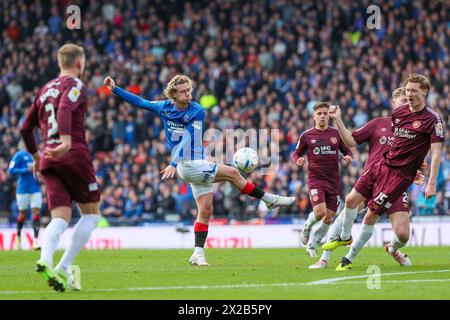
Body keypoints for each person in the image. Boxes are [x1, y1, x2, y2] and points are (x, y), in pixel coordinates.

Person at [104, 74, 295, 266]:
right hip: (185, 165)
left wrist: (173, 162)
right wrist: (115, 89)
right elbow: (140, 102)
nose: (188, 94)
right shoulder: (165, 108)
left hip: (195, 163)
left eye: (189, 90)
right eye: (183, 91)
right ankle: (269, 200)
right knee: (233, 173)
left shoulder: (197, 111)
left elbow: (189, 137)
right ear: (173, 94)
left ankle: (198, 253)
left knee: (205, 210)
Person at [333, 74, 444, 270]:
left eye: (413, 91)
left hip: (399, 178)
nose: (409, 94)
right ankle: (341, 240)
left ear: (425, 92)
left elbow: (436, 154)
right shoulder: (399, 113)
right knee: (351, 200)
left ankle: (350, 258)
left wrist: (431, 181)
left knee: (375, 218)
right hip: (381, 166)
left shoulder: (432, 119)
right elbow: (400, 143)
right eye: (407, 90)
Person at [311, 87, 424, 269]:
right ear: (393, 104)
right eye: (401, 101)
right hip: (372, 179)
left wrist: (417, 170)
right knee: (349, 206)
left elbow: (414, 157)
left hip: (394, 185)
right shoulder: (378, 124)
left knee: (403, 235)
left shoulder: (414, 130)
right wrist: (338, 119)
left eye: (407, 101)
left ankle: (393, 249)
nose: (405, 104)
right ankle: (324, 259)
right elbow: (350, 141)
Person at [20, 44, 101, 291]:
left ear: (59, 62)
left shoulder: (44, 89)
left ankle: (45, 259)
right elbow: (65, 107)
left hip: (48, 158)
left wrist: (35, 156)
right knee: (91, 213)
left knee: (60, 217)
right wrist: (66, 141)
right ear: (79, 63)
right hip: (72, 153)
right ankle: (63, 268)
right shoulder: (76, 84)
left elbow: (25, 128)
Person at [291, 102, 353, 258]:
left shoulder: (336, 134)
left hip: (333, 181)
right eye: (319, 114)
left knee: (329, 217)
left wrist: (348, 156)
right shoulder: (306, 135)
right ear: (314, 116)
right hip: (316, 179)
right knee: (319, 213)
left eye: (325, 113)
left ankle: (312, 244)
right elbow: (295, 154)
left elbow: (347, 150)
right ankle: (307, 226)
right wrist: (298, 160)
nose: (323, 116)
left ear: (329, 116)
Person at [8, 144, 42, 250]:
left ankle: (35, 241)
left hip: (35, 188)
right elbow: (11, 170)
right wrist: (26, 169)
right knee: (22, 212)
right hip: (22, 189)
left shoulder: (37, 155)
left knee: (36, 211)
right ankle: (18, 237)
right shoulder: (19, 155)